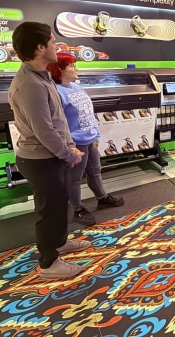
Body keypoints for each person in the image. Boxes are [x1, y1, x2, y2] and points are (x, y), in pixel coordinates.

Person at [8, 22, 89, 279]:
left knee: (57, 203)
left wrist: (71, 146)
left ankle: (58, 242)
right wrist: (69, 153)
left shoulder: (41, 77)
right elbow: (44, 131)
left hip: (53, 155)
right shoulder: (30, 84)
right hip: (40, 159)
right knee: (48, 209)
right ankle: (49, 264)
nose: (57, 46)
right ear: (40, 47)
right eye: (53, 42)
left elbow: (58, 120)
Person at [47, 53, 125, 226]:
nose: (76, 69)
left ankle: (102, 197)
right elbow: (57, 123)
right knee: (74, 178)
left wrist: (95, 134)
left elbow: (88, 113)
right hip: (75, 143)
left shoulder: (76, 87)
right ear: (59, 69)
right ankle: (77, 208)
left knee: (95, 170)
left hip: (89, 140)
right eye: (72, 66)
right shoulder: (56, 92)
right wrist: (70, 145)